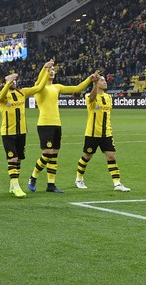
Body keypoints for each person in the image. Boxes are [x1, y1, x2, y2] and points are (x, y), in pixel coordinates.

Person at [27, 59, 93, 193]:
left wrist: (89, 79)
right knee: (47, 154)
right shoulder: (39, 87)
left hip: (57, 124)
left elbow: (77, 88)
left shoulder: (57, 87)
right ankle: (33, 177)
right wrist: (45, 67)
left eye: (53, 70)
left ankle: (51, 184)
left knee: (54, 155)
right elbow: (40, 80)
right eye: (49, 71)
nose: (52, 72)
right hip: (45, 124)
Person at [74, 73, 130, 192]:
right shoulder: (89, 95)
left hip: (106, 133)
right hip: (92, 133)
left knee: (111, 156)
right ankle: (79, 179)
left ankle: (117, 183)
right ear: (97, 83)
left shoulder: (108, 97)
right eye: (102, 80)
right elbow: (92, 99)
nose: (105, 82)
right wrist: (94, 83)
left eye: (105, 80)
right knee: (87, 156)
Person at [0, 71, 45, 198]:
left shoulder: (22, 92)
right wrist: (8, 82)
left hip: (22, 132)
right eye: (11, 81)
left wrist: (46, 69)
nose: (14, 82)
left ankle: (12, 185)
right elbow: (0, 96)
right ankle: (16, 186)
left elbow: (39, 87)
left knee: (18, 159)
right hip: (8, 133)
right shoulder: (3, 95)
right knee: (12, 158)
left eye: (14, 80)